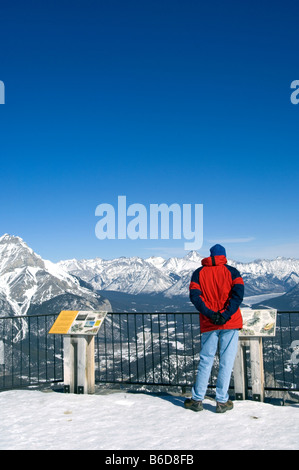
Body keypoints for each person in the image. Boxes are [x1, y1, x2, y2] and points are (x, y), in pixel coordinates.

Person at [185, 244, 244, 413]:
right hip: (230, 322)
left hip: (209, 322)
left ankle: (197, 399)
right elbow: (238, 295)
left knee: (206, 359)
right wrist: (225, 314)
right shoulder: (233, 272)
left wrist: (210, 314)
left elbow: (195, 297)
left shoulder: (199, 273)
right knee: (226, 361)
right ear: (224, 256)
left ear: (210, 255)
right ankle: (221, 401)